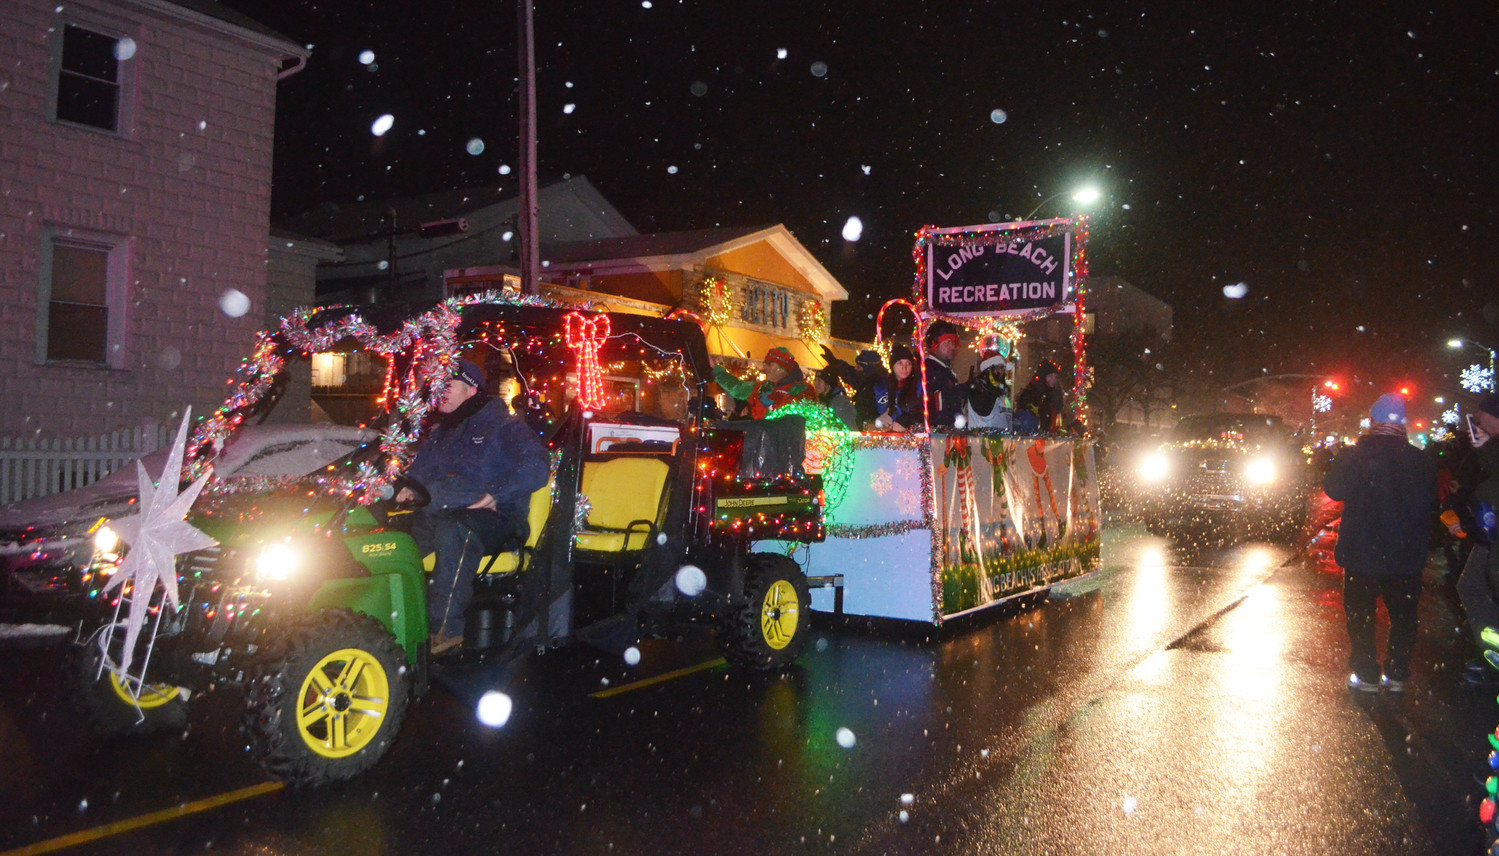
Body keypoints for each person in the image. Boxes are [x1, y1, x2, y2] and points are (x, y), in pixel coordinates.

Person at [400, 358, 550, 654]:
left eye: (448, 384)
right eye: (437, 383)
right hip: (440, 511)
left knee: (454, 528)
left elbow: (537, 467)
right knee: (393, 540)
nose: (438, 390)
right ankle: (389, 620)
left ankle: (443, 631)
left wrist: (497, 493)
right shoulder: (441, 434)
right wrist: (400, 489)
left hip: (498, 518)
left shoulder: (505, 427)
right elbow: (417, 476)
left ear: (471, 391)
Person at [1322, 393, 1438, 693]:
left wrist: (1336, 458)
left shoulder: (1355, 456)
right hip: (1405, 554)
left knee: (1361, 615)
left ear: (1373, 421)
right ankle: (1397, 672)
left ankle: (1367, 673)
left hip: (1362, 553)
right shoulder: (1419, 460)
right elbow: (1431, 505)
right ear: (1403, 424)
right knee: (1403, 616)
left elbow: (1334, 489)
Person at [1453, 393, 1499, 683]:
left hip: (1490, 532)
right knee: (1471, 585)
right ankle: (1491, 651)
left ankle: (1491, 652)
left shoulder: (1491, 447)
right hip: (1487, 533)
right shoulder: (1487, 446)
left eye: (1482, 414)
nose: (1477, 419)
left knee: (1476, 586)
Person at [712, 346, 817, 419]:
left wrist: (775, 402)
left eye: (769, 363)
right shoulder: (762, 387)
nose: (764, 367)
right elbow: (737, 387)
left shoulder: (803, 389)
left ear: (781, 368)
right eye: (764, 363)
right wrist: (715, 370)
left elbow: (803, 417)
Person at [964, 337, 1014, 431]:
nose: (1001, 372)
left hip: (1003, 442)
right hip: (982, 442)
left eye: (1003, 368)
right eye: (999, 368)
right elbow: (984, 410)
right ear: (989, 369)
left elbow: (1007, 417)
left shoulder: (1001, 392)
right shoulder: (979, 389)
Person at [922, 321, 964, 429]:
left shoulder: (944, 369)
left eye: (953, 343)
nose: (952, 347)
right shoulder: (930, 369)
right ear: (933, 344)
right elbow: (940, 402)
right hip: (937, 434)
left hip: (947, 432)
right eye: (947, 343)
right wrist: (964, 389)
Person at [873, 345, 924, 431]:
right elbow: (868, 411)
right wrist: (878, 419)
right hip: (884, 437)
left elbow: (923, 412)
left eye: (908, 363)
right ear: (893, 365)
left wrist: (905, 421)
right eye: (900, 363)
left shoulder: (918, 386)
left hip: (910, 437)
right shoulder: (880, 386)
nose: (904, 367)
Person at [1015, 359, 1067, 434]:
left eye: (1055, 376)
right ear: (1043, 376)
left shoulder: (1055, 395)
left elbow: (1058, 417)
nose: (1053, 379)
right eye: (1050, 376)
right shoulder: (1031, 394)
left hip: (1049, 437)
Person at [811, 364, 857, 429]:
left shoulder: (840, 403)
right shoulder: (821, 401)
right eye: (815, 380)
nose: (816, 384)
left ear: (828, 384)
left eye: (819, 381)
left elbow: (849, 426)